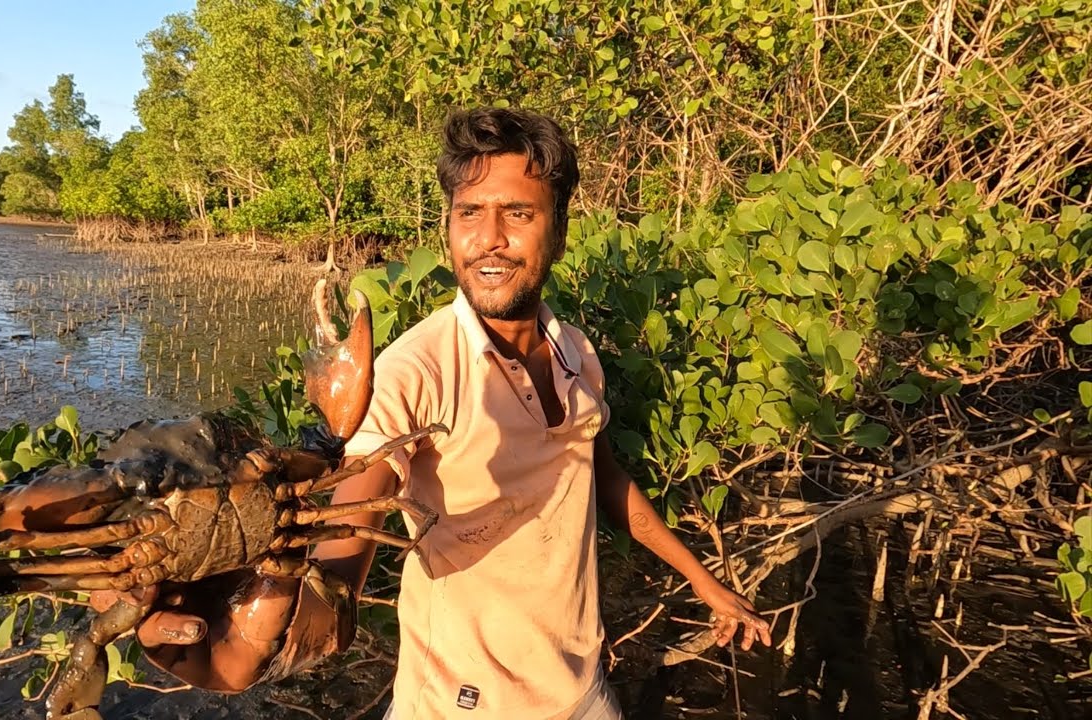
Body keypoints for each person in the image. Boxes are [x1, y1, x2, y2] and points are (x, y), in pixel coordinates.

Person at [101, 106, 771, 719]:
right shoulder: (411, 373)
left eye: (518, 213)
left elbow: (596, 472)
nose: (490, 239)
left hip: (581, 690)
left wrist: (704, 582)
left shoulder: (574, 351)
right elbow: (340, 568)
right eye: (469, 213)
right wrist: (238, 646)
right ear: (448, 227)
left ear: (558, 233)